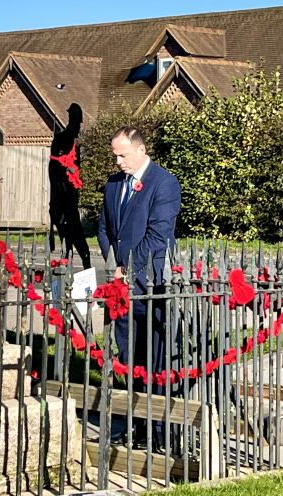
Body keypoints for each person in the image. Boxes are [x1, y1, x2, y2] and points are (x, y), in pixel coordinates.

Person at [97, 125, 181, 449]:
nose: (118, 161)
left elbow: (158, 234)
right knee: (129, 358)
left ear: (141, 151)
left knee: (154, 360)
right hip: (122, 290)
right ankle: (134, 425)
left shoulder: (164, 183)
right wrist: (113, 265)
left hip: (151, 286)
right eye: (115, 155)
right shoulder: (113, 185)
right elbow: (105, 229)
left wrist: (127, 269)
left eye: (123, 154)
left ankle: (158, 432)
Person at [49, 103, 92, 269]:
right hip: (62, 201)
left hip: (70, 200)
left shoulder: (74, 144)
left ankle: (83, 268)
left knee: (80, 246)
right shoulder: (60, 140)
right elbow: (55, 170)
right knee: (70, 243)